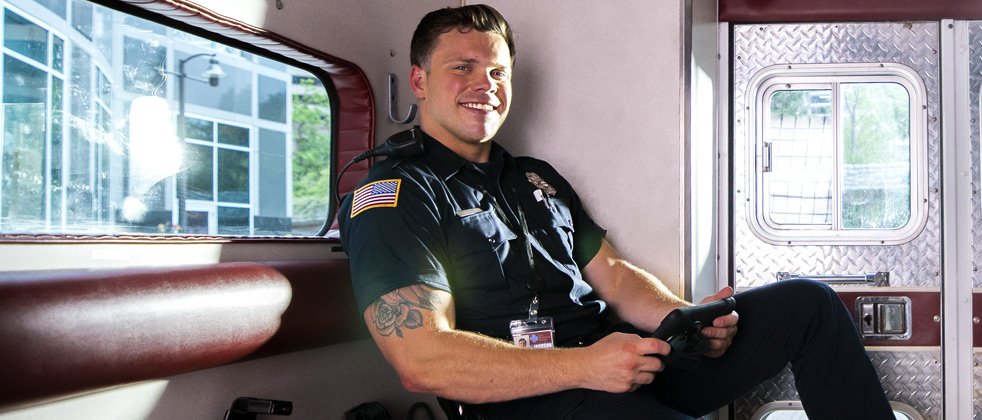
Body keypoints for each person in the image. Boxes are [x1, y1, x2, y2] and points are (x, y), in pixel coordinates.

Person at [339, 5, 893, 419]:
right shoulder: (394, 193)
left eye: (498, 72)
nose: (485, 85)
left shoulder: (534, 177)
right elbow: (422, 360)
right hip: (532, 401)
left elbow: (617, 279)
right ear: (419, 80)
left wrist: (686, 320)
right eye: (462, 67)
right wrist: (587, 367)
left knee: (809, 304)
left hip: (616, 363)